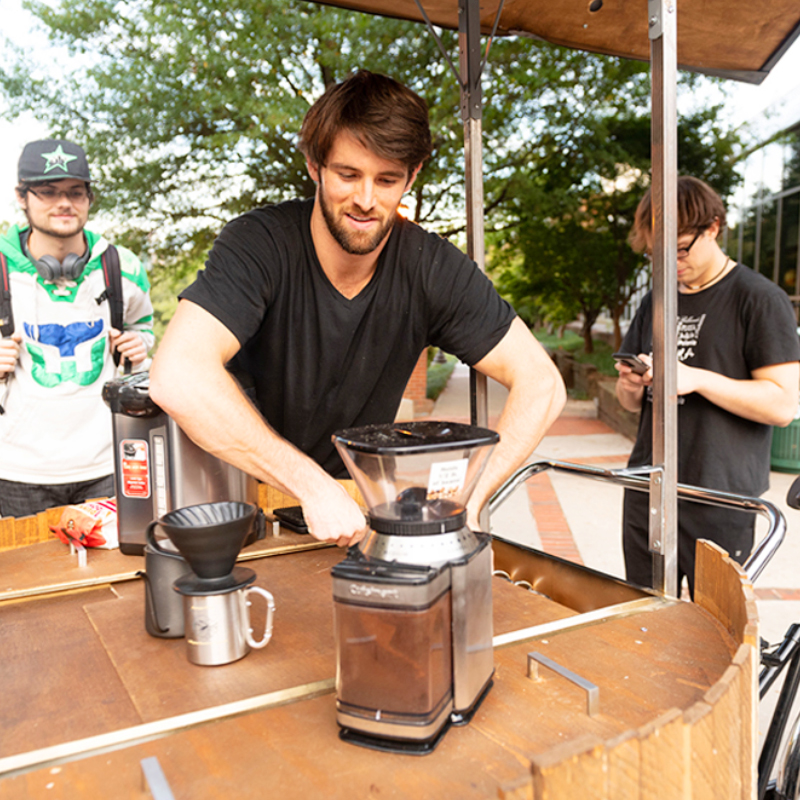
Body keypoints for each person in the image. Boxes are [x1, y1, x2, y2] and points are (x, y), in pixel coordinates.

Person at [150, 70, 566, 547]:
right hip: (237, 509)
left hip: (356, 516)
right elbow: (177, 375)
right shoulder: (258, 244)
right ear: (314, 165)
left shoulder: (431, 267)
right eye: (348, 175)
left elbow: (543, 384)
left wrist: (470, 500)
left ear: (413, 175)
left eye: (387, 180)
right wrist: (311, 485)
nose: (366, 200)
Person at [616, 175, 800, 595]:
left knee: (717, 637)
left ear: (713, 226)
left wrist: (695, 379)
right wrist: (629, 384)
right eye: (657, 254)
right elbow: (629, 403)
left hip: (721, 499)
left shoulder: (759, 298)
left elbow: (783, 404)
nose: (672, 264)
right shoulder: (657, 300)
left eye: (680, 249)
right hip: (648, 488)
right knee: (642, 622)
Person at [0, 139, 155, 518]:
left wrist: (139, 344)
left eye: (75, 192)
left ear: (89, 198)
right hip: (17, 471)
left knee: (114, 572)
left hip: (107, 462)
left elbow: (144, 327)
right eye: (48, 192)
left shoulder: (123, 267)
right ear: (23, 197)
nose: (63, 203)